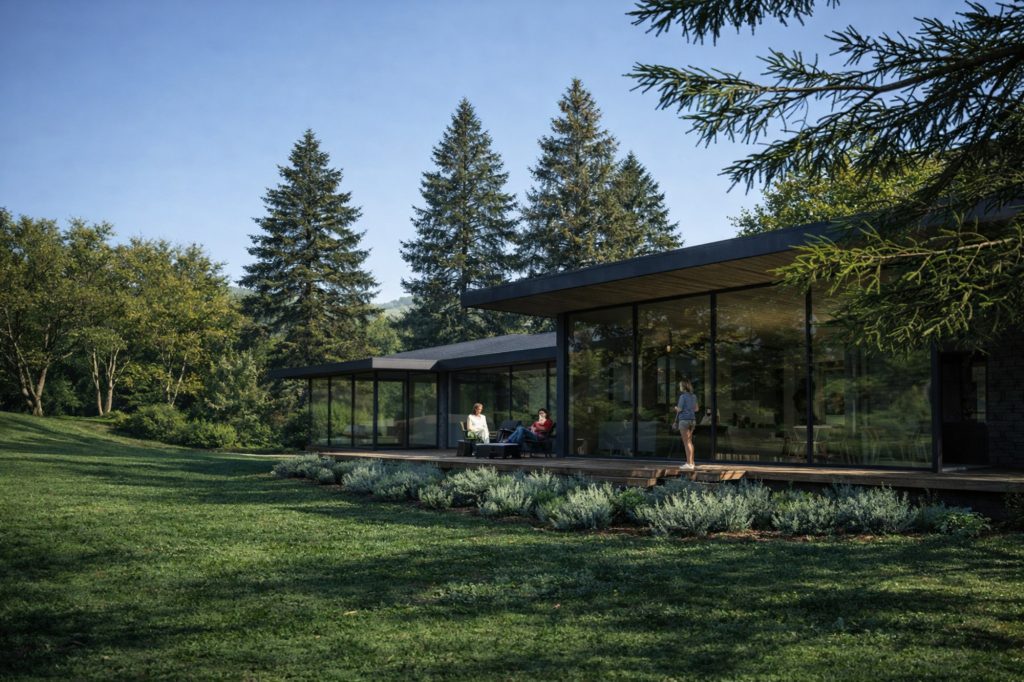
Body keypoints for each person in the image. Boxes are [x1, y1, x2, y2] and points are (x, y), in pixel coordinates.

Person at [674, 379, 698, 471]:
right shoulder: (694, 396)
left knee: (686, 442)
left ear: (684, 387)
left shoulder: (682, 397)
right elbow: (696, 409)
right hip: (692, 420)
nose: (679, 387)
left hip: (684, 420)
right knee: (690, 442)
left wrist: (676, 408)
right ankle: (692, 463)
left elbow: (679, 409)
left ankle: (689, 463)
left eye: (680, 385)